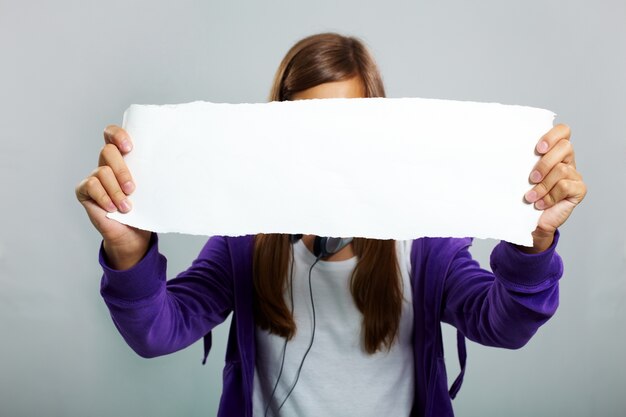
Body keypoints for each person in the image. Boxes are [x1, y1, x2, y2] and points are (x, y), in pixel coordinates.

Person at [75, 33, 587, 417]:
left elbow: (505, 323)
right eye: (308, 129)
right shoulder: (245, 247)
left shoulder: (425, 248)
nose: (329, 153)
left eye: (348, 128)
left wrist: (533, 243)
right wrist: (128, 250)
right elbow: (156, 332)